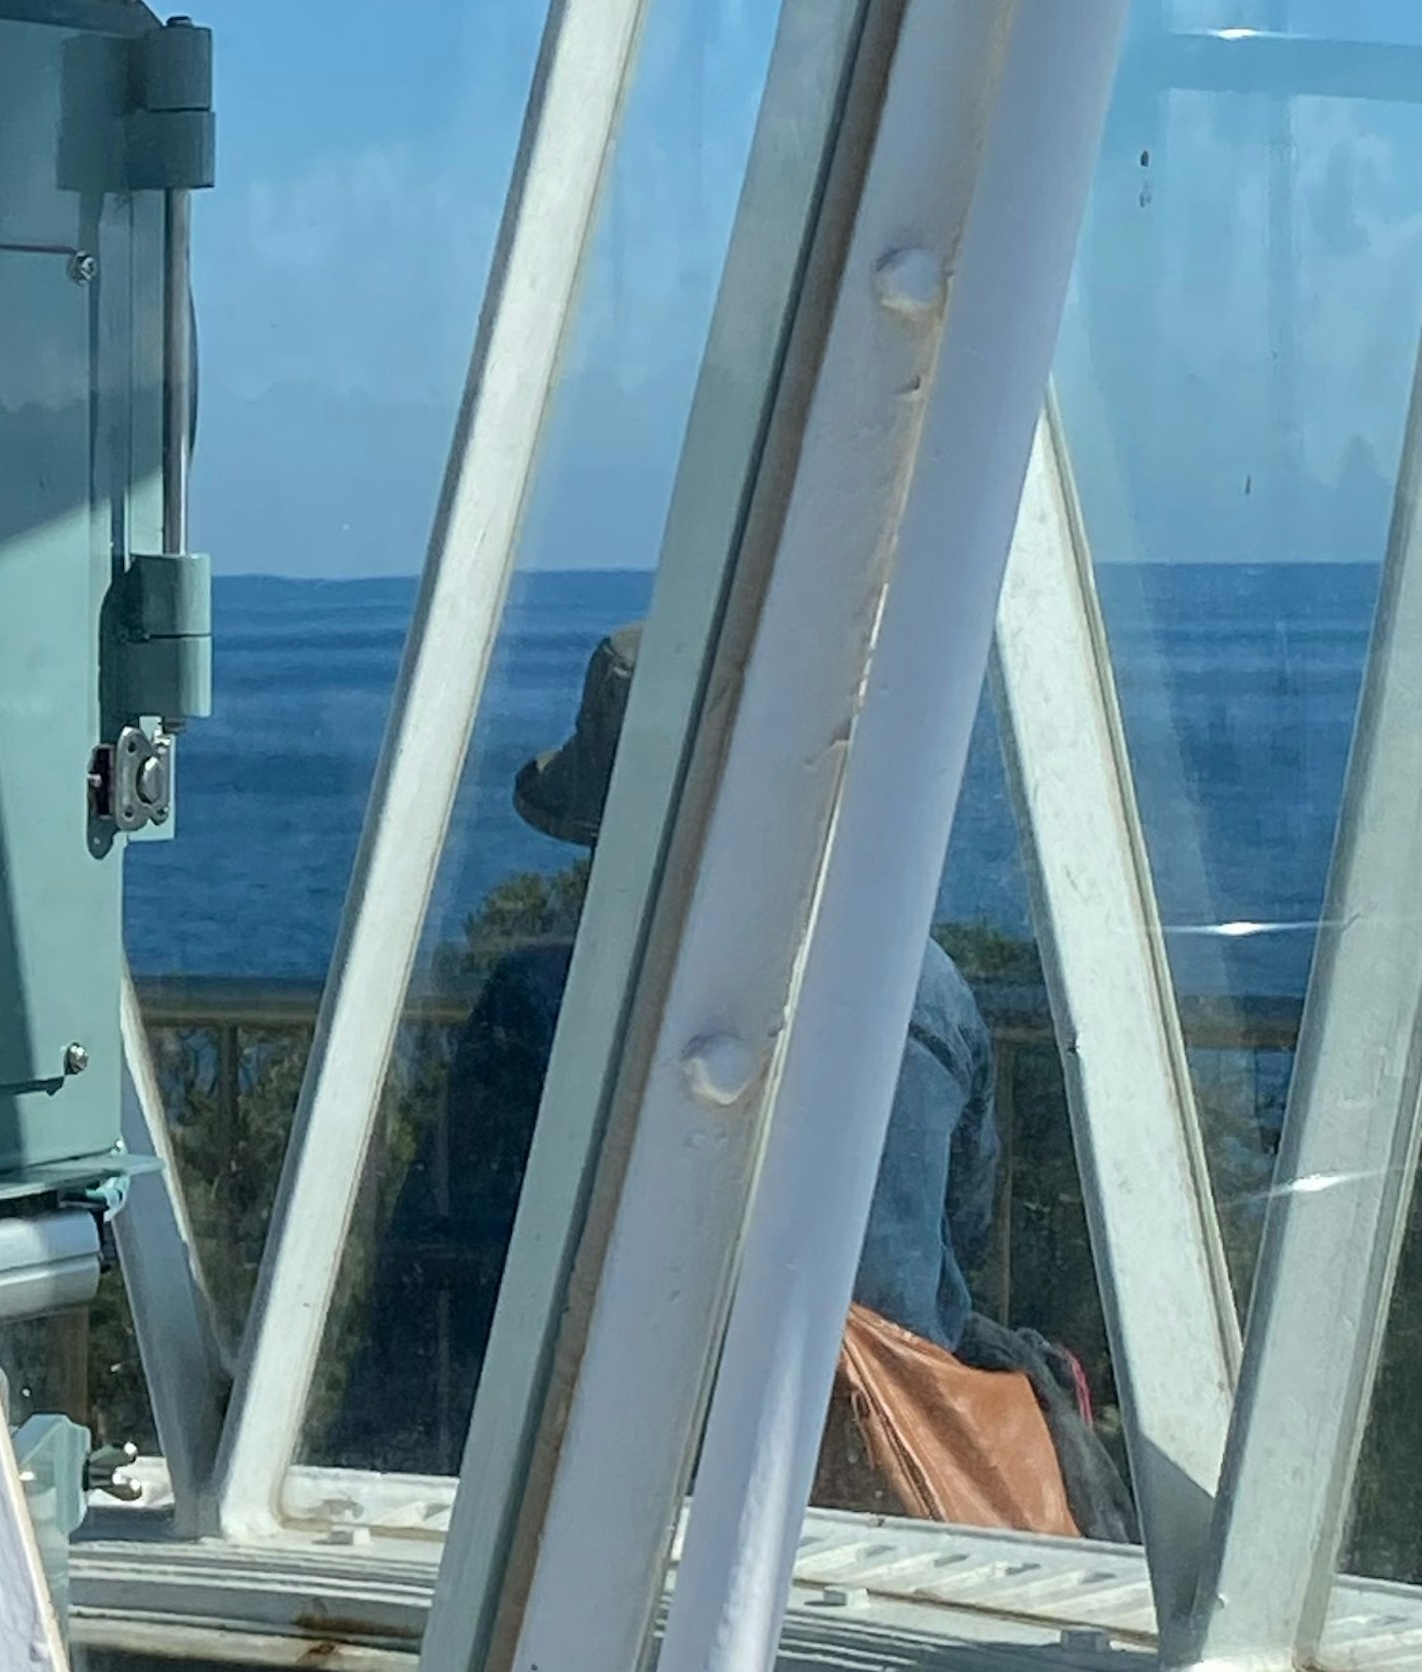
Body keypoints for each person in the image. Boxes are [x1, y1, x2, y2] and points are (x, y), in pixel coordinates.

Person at [337, 624, 1125, 1533]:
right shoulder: (928, 988)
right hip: (883, 1482)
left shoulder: (546, 1005)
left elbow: (448, 1278)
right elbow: (959, 1240)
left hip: (611, 1489)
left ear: (611, 826)